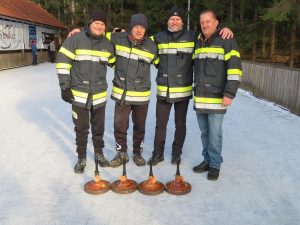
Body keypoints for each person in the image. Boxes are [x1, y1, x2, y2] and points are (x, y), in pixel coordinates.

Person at [147, 6, 234, 166]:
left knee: (180, 124)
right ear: (167, 21)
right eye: (171, 19)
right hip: (163, 91)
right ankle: (157, 154)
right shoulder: (158, 37)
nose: (174, 21)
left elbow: (211, 32)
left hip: (183, 90)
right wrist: (119, 33)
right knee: (160, 124)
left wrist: (224, 28)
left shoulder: (193, 36)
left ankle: (176, 153)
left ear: (182, 22)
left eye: (178, 19)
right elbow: (143, 43)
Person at [56, 10, 115, 174]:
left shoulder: (107, 44)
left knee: (98, 129)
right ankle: (81, 157)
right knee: (81, 129)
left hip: (99, 96)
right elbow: (62, 63)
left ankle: (99, 154)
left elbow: (116, 63)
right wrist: (64, 87)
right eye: (96, 23)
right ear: (89, 23)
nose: (99, 26)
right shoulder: (74, 40)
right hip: (79, 95)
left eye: (102, 24)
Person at [192, 10, 242, 180]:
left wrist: (230, 93)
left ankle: (214, 164)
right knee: (205, 133)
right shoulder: (198, 42)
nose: (205, 25)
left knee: (215, 134)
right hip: (200, 97)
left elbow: (235, 70)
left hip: (217, 97)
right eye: (202, 22)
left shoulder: (227, 40)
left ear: (216, 22)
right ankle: (206, 160)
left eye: (208, 21)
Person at [106, 14, 159, 167]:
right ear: (131, 27)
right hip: (122, 93)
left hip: (141, 95)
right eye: (136, 26)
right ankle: (121, 152)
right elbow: (97, 33)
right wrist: (78, 31)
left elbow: (162, 63)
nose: (139, 30)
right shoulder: (118, 38)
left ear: (145, 29)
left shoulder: (152, 46)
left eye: (142, 27)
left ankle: (137, 153)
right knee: (120, 125)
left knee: (139, 126)